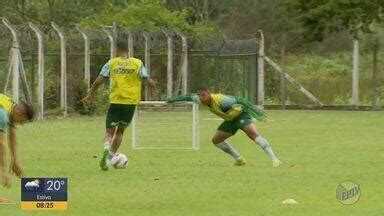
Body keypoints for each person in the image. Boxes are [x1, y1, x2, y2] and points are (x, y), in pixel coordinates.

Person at [83, 40, 156, 170]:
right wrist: (153, 91)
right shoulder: (137, 63)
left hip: (116, 101)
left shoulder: (112, 63)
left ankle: (106, 148)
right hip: (130, 102)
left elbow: (99, 80)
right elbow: (148, 80)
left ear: (117, 50)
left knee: (109, 132)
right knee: (120, 131)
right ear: (128, 50)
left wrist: (90, 95)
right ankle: (109, 157)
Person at [167, 87, 282, 167]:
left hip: (241, 116)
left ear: (209, 93)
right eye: (200, 95)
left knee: (253, 135)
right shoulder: (198, 99)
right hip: (230, 120)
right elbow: (187, 96)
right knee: (216, 140)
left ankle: (275, 159)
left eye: (204, 95)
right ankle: (239, 159)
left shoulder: (222, 101)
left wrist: (258, 115)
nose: (202, 97)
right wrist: (172, 100)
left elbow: (241, 101)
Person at [0, 93, 34, 187]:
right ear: (19, 113)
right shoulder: (2, 114)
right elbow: (1, 143)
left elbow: (12, 136)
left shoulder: (11, 106)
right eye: (23, 121)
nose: (22, 124)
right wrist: (4, 172)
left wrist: (15, 160)